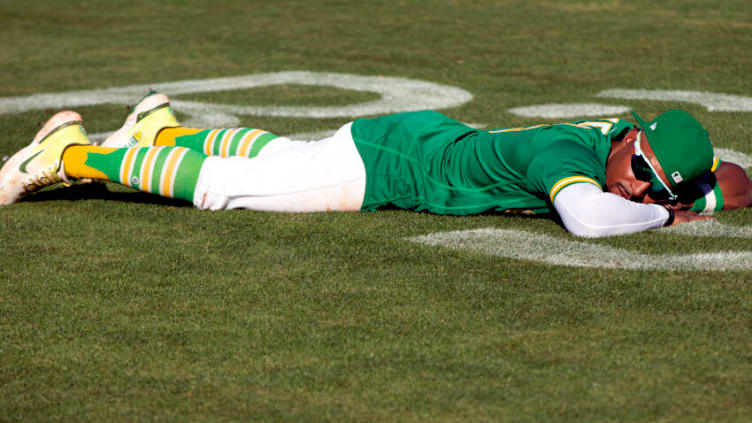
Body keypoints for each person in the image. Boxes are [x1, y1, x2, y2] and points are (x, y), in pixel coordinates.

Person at [1, 92, 750, 238]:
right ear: (630, 136)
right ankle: (69, 155)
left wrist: (706, 195)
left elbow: (737, 180)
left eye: (657, 184)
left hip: (410, 140)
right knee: (230, 192)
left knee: (278, 154)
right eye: (641, 168)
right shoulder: (567, 155)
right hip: (390, 170)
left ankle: (160, 133)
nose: (639, 185)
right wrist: (662, 212)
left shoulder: (621, 146)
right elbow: (589, 217)